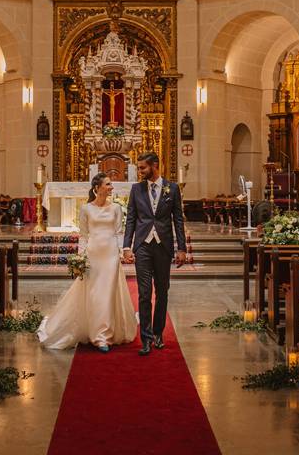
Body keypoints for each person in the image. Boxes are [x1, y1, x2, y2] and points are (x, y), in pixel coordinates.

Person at [38, 173, 137, 352]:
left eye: (111, 184)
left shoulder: (116, 208)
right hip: (93, 255)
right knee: (94, 293)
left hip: (111, 256)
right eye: (108, 184)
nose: (111, 187)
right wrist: (80, 257)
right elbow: (83, 236)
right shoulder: (86, 209)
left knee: (107, 293)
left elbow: (119, 233)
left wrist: (124, 251)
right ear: (97, 188)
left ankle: (102, 336)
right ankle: (94, 330)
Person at [122, 151, 187, 356]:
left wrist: (182, 248)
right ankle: (146, 338)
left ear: (155, 166)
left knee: (162, 291)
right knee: (143, 293)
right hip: (142, 246)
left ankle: (159, 333)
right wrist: (127, 246)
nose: (139, 171)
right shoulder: (136, 189)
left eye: (143, 168)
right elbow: (131, 219)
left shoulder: (172, 189)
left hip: (163, 246)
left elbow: (178, 220)